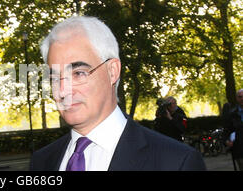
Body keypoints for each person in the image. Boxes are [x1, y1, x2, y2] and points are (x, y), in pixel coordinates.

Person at [29, 16, 206, 171]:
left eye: (78, 73)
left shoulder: (178, 162)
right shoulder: (41, 162)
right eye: (54, 78)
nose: (62, 91)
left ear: (112, 71)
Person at [223, 89, 243, 170]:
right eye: (240, 97)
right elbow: (227, 130)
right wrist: (227, 141)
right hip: (240, 149)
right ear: (237, 98)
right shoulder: (232, 114)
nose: (242, 99)